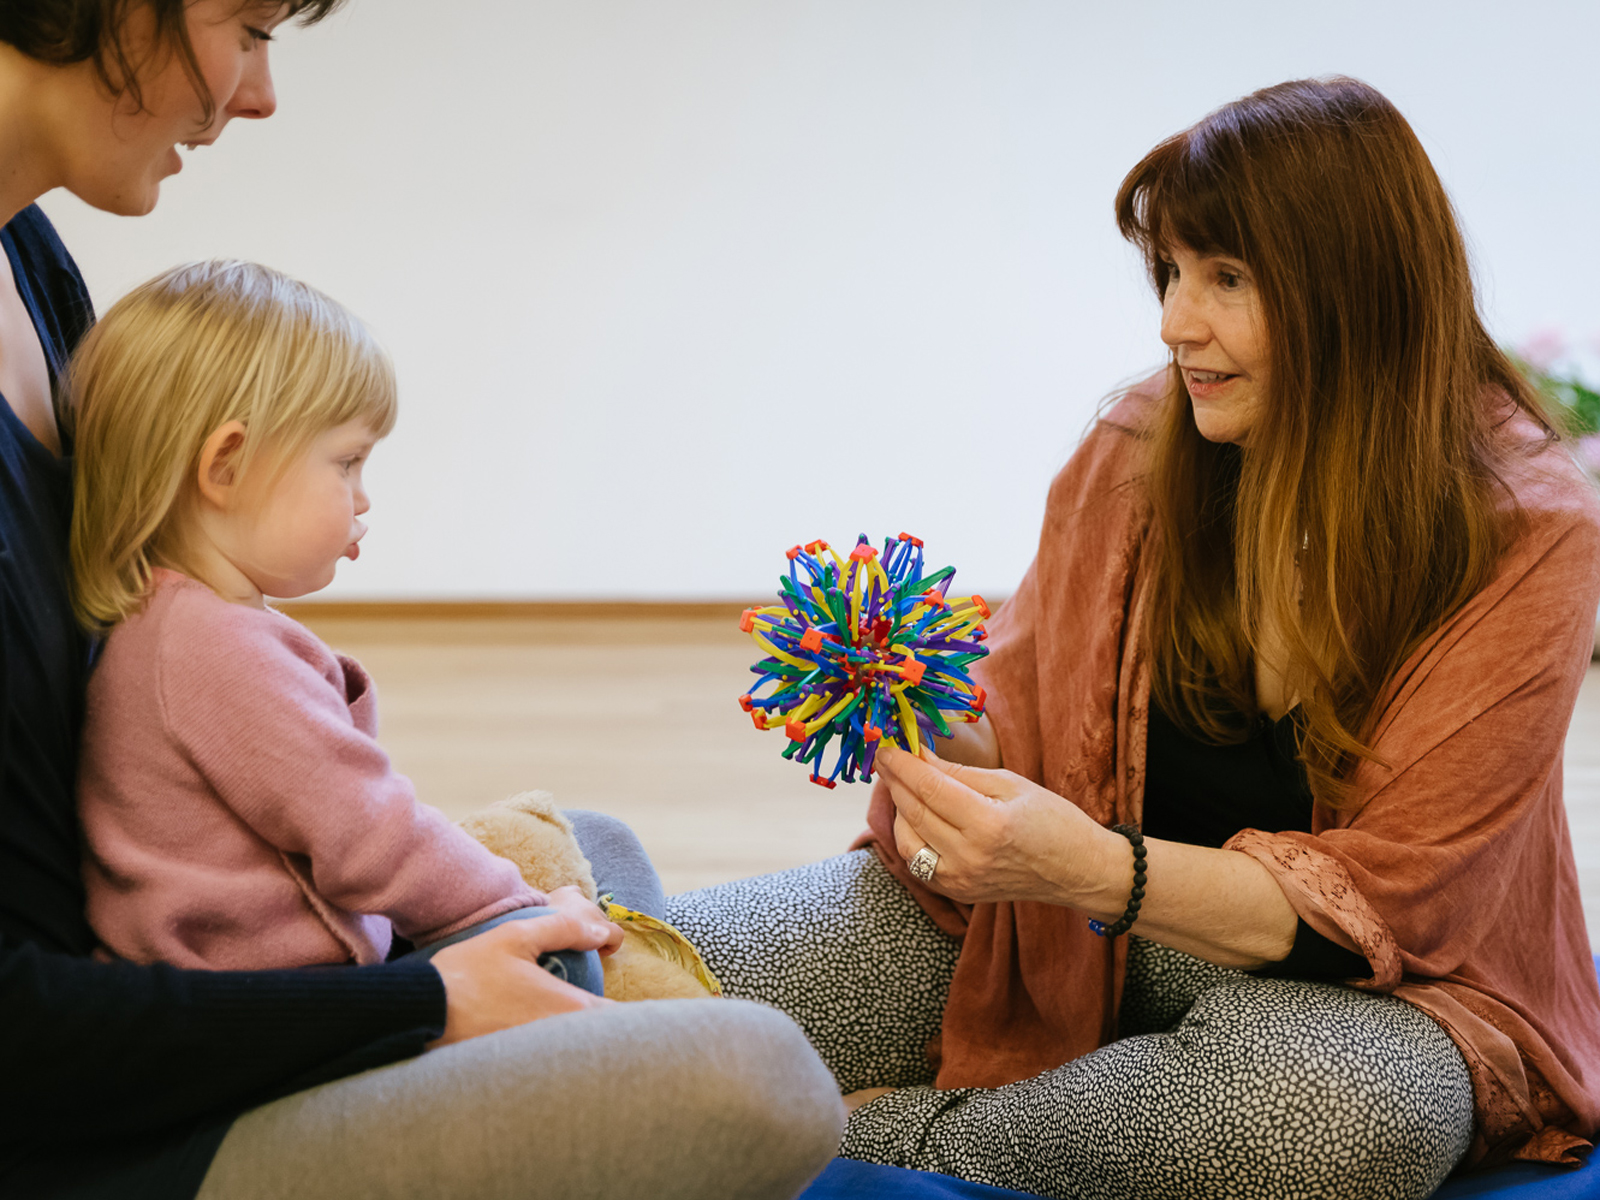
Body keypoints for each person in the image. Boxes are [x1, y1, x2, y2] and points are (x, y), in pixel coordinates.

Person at [666, 76, 1600, 1200]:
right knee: (639, 989)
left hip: (1372, 1000)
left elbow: (1394, 906)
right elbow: (1022, 729)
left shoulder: (1530, 527)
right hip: (1064, 932)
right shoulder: (1139, 443)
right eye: (1169, 272)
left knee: (1314, 1123)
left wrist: (1083, 865)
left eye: (1227, 279)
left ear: (1355, 294)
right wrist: (954, 745)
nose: (1173, 323)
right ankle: (1065, 1104)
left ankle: (896, 1141)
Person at [0, 3, 843, 1198]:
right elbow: (356, 832)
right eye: (248, 24)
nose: (260, 94)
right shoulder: (209, 647)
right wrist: (435, 988)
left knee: (590, 845)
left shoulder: (30, 267)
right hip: (136, 1101)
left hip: (195, 987)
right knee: (754, 1069)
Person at [70, 258, 623, 994]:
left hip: (316, 962)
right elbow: (371, 836)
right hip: (286, 1008)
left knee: (604, 846)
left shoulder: (180, 622)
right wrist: (516, 911)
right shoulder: (211, 649)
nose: (363, 498)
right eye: (348, 462)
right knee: (564, 956)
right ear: (226, 465)